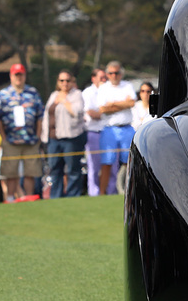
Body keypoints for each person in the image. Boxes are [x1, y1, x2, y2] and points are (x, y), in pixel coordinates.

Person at [0, 64, 44, 201]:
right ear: (11, 76)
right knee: (10, 173)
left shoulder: (33, 92)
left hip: (30, 140)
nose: (19, 78)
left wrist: (38, 136)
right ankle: (10, 199)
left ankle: (28, 198)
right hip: (11, 140)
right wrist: (3, 137)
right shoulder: (3, 95)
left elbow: (40, 116)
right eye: (16, 75)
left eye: (21, 75)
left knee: (30, 172)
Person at [41, 70, 86, 198]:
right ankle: (56, 196)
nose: (65, 83)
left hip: (70, 138)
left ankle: (73, 195)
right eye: (62, 80)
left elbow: (77, 112)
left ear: (72, 82)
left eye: (67, 80)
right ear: (58, 82)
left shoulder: (76, 95)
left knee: (72, 168)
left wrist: (65, 101)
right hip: (53, 138)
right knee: (54, 168)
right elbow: (46, 115)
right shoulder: (53, 95)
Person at [96, 61, 136, 195]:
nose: (114, 76)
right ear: (107, 74)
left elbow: (131, 102)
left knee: (129, 162)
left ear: (121, 73)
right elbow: (103, 109)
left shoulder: (128, 85)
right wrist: (122, 104)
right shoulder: (103, 88)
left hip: (126, 128)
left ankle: (128, 191)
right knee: (106, 162)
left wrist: (112, 104)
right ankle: (102, 193)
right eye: (111, 73)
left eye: (117, 73)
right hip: (109, 129)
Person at [83, 68, 115, 196]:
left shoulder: (110, 91)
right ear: (93, 78)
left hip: (109, 131)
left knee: (111, 165)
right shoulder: (88, 92)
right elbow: (91, 113)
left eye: (105, 77)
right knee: (94, 167)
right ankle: (94, 194)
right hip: (94, 133)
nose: (104, 80)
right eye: (101, 77)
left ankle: (112, 191)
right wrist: (110, 111)